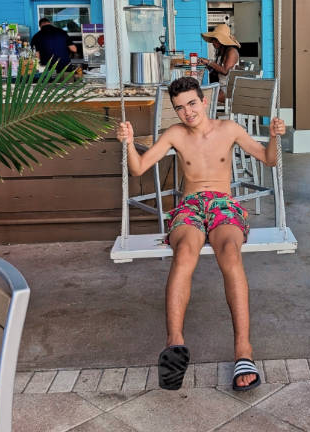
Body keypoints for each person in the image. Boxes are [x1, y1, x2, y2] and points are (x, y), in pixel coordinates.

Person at [116, 75, 286, 392]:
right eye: (180, 108)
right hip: (190, 205)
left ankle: (243, 352)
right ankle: (174, 344)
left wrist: (275, 137)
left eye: (192, 104)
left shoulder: (229, 129)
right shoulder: (174, 134)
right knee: (183, 254)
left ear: (204, 101)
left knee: (230, 255)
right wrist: (127, 144)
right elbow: (139, 168)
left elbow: (269, 158)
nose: (188, 112)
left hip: (223, 204)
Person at [198, 23, 240, 100]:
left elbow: (225, 71)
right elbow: (217, 71)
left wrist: (209, 62)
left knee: (199, 97)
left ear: (222, 41)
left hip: (228, 90)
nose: (213, 42)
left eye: (215, 40)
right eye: (213, 40)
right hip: (220, 87)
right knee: (197, 94)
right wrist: (207, 65)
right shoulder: (222, 51)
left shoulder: (232, 51)